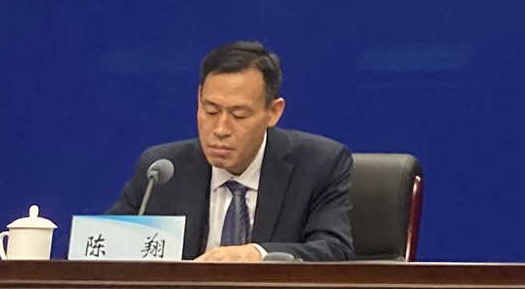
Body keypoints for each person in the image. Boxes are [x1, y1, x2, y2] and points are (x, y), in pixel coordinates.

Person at [108, 40, 355, 262]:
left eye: (239, 115)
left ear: (273, 112)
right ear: (199, 99)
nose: (221, 129)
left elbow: (335, 250)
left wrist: (258, 254)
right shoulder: (162, 171)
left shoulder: (318, 165)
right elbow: (104, 247)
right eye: (211, 111)